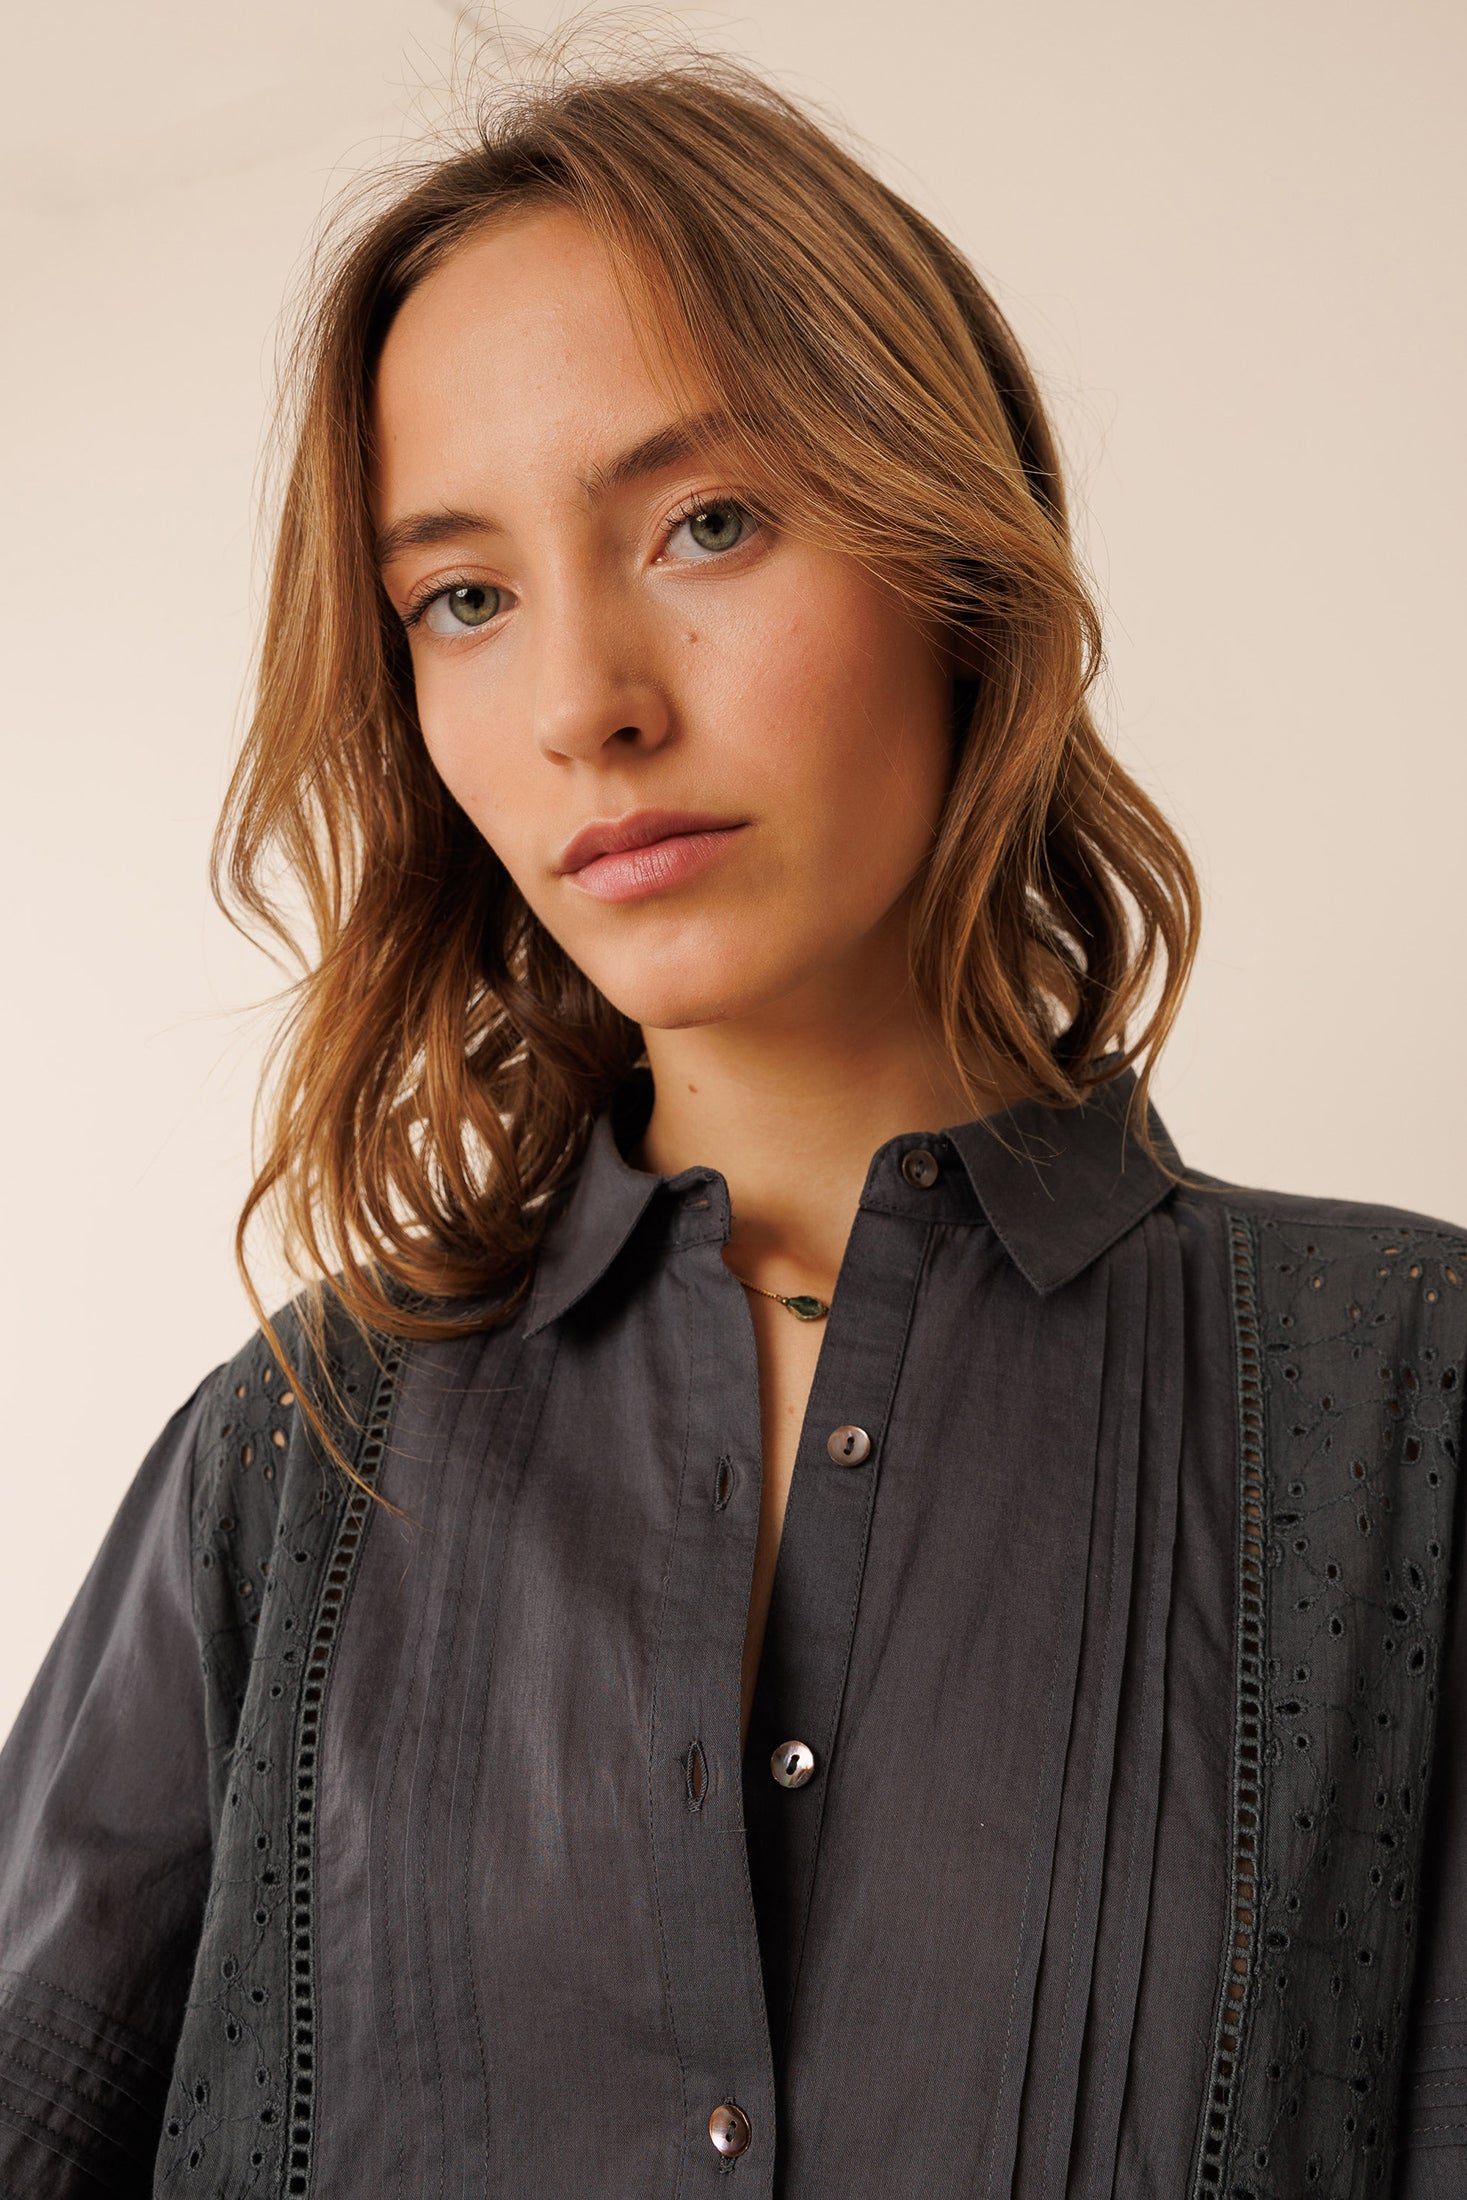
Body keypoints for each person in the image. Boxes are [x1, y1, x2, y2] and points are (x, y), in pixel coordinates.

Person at [0, 51, 1462, 2200]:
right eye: (463, 597)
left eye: (706, 521)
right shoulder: (291, 1454)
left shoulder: (1397, 1389)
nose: (587, 696)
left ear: (949, 548)